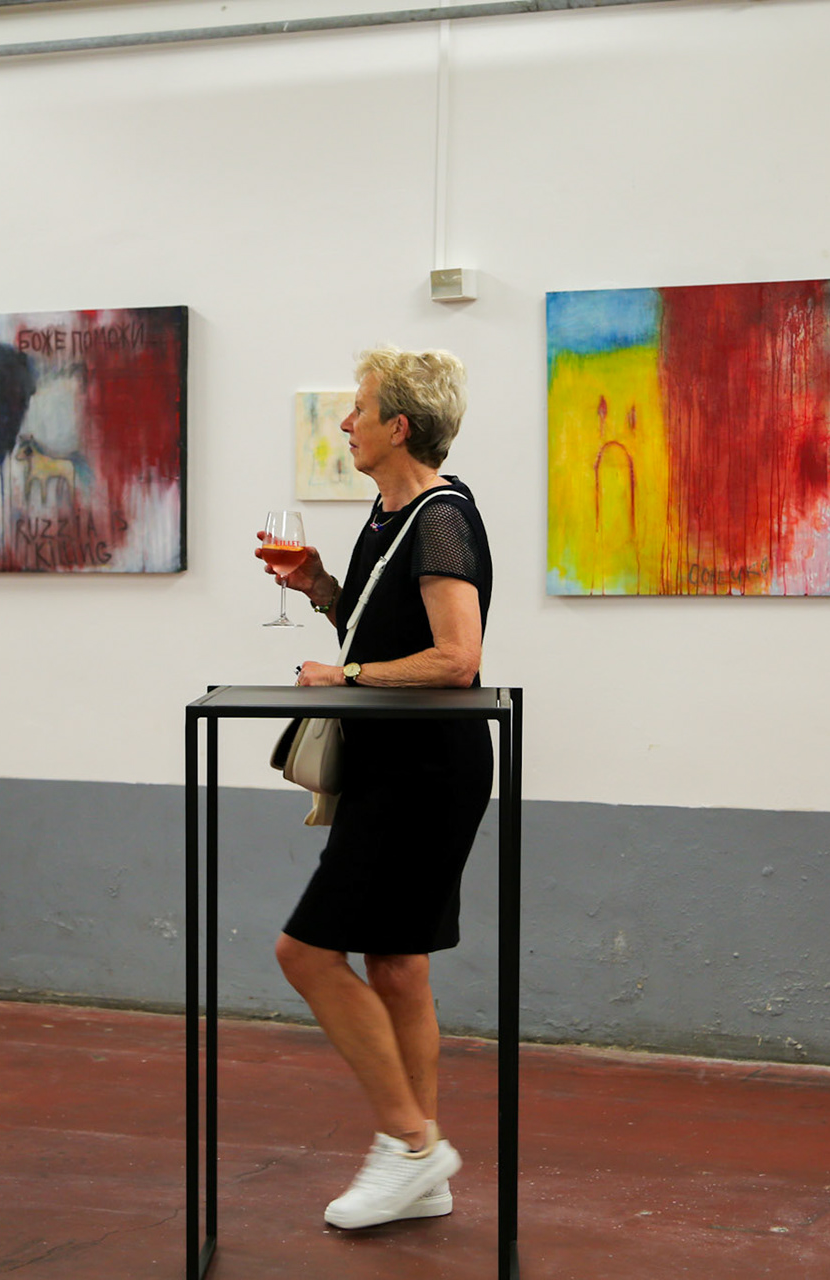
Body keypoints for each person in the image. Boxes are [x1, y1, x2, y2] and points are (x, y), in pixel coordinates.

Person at [257, 345, 493, 1230]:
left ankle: (410, 1145)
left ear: (399, 426)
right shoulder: (387, 516)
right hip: (396, 760)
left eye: (359, 409)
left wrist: (347, 676)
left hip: (424, 769)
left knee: (306, 953)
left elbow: (457, 658)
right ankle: (421, 1169)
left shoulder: (440, 518)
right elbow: (381, 633)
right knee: (396, 962)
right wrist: (323, 586)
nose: (346, 422)